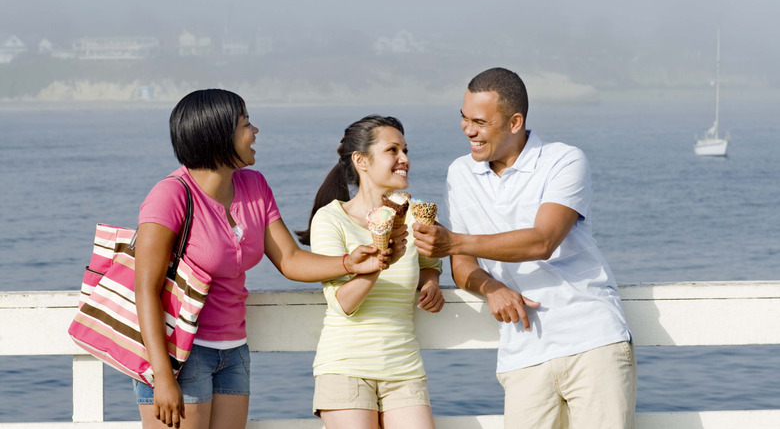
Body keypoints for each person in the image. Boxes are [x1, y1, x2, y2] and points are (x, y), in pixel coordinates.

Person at [134, 89, 389, 429]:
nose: (255, 132)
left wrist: (350, 263)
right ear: (218, 134)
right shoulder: (170, 195)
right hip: (181, 354)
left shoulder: (254, 186)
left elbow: (291, 259)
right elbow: (145, 290)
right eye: (246, 125)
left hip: (233, 352)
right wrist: (162, 375)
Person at [412, 68, 636, 429]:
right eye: (464, 118)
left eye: (480, 122)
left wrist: (453, 241)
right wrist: (491, 287)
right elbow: (462, 265)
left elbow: (543, 240)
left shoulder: (564, 161)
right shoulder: (459, 173)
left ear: (515, 122)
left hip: (592, 341)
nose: (468, 130)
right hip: (522, 351)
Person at [297, 115, 445, 429]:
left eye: (406, 150)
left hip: (404, 369)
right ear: (361, 161)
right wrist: (379, 264)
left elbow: (430, 263)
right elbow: (344, 303)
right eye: (393, 150)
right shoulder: (331, 219)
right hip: (345, 369)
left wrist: (431, 282)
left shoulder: (413, 216)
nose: (405, 159)